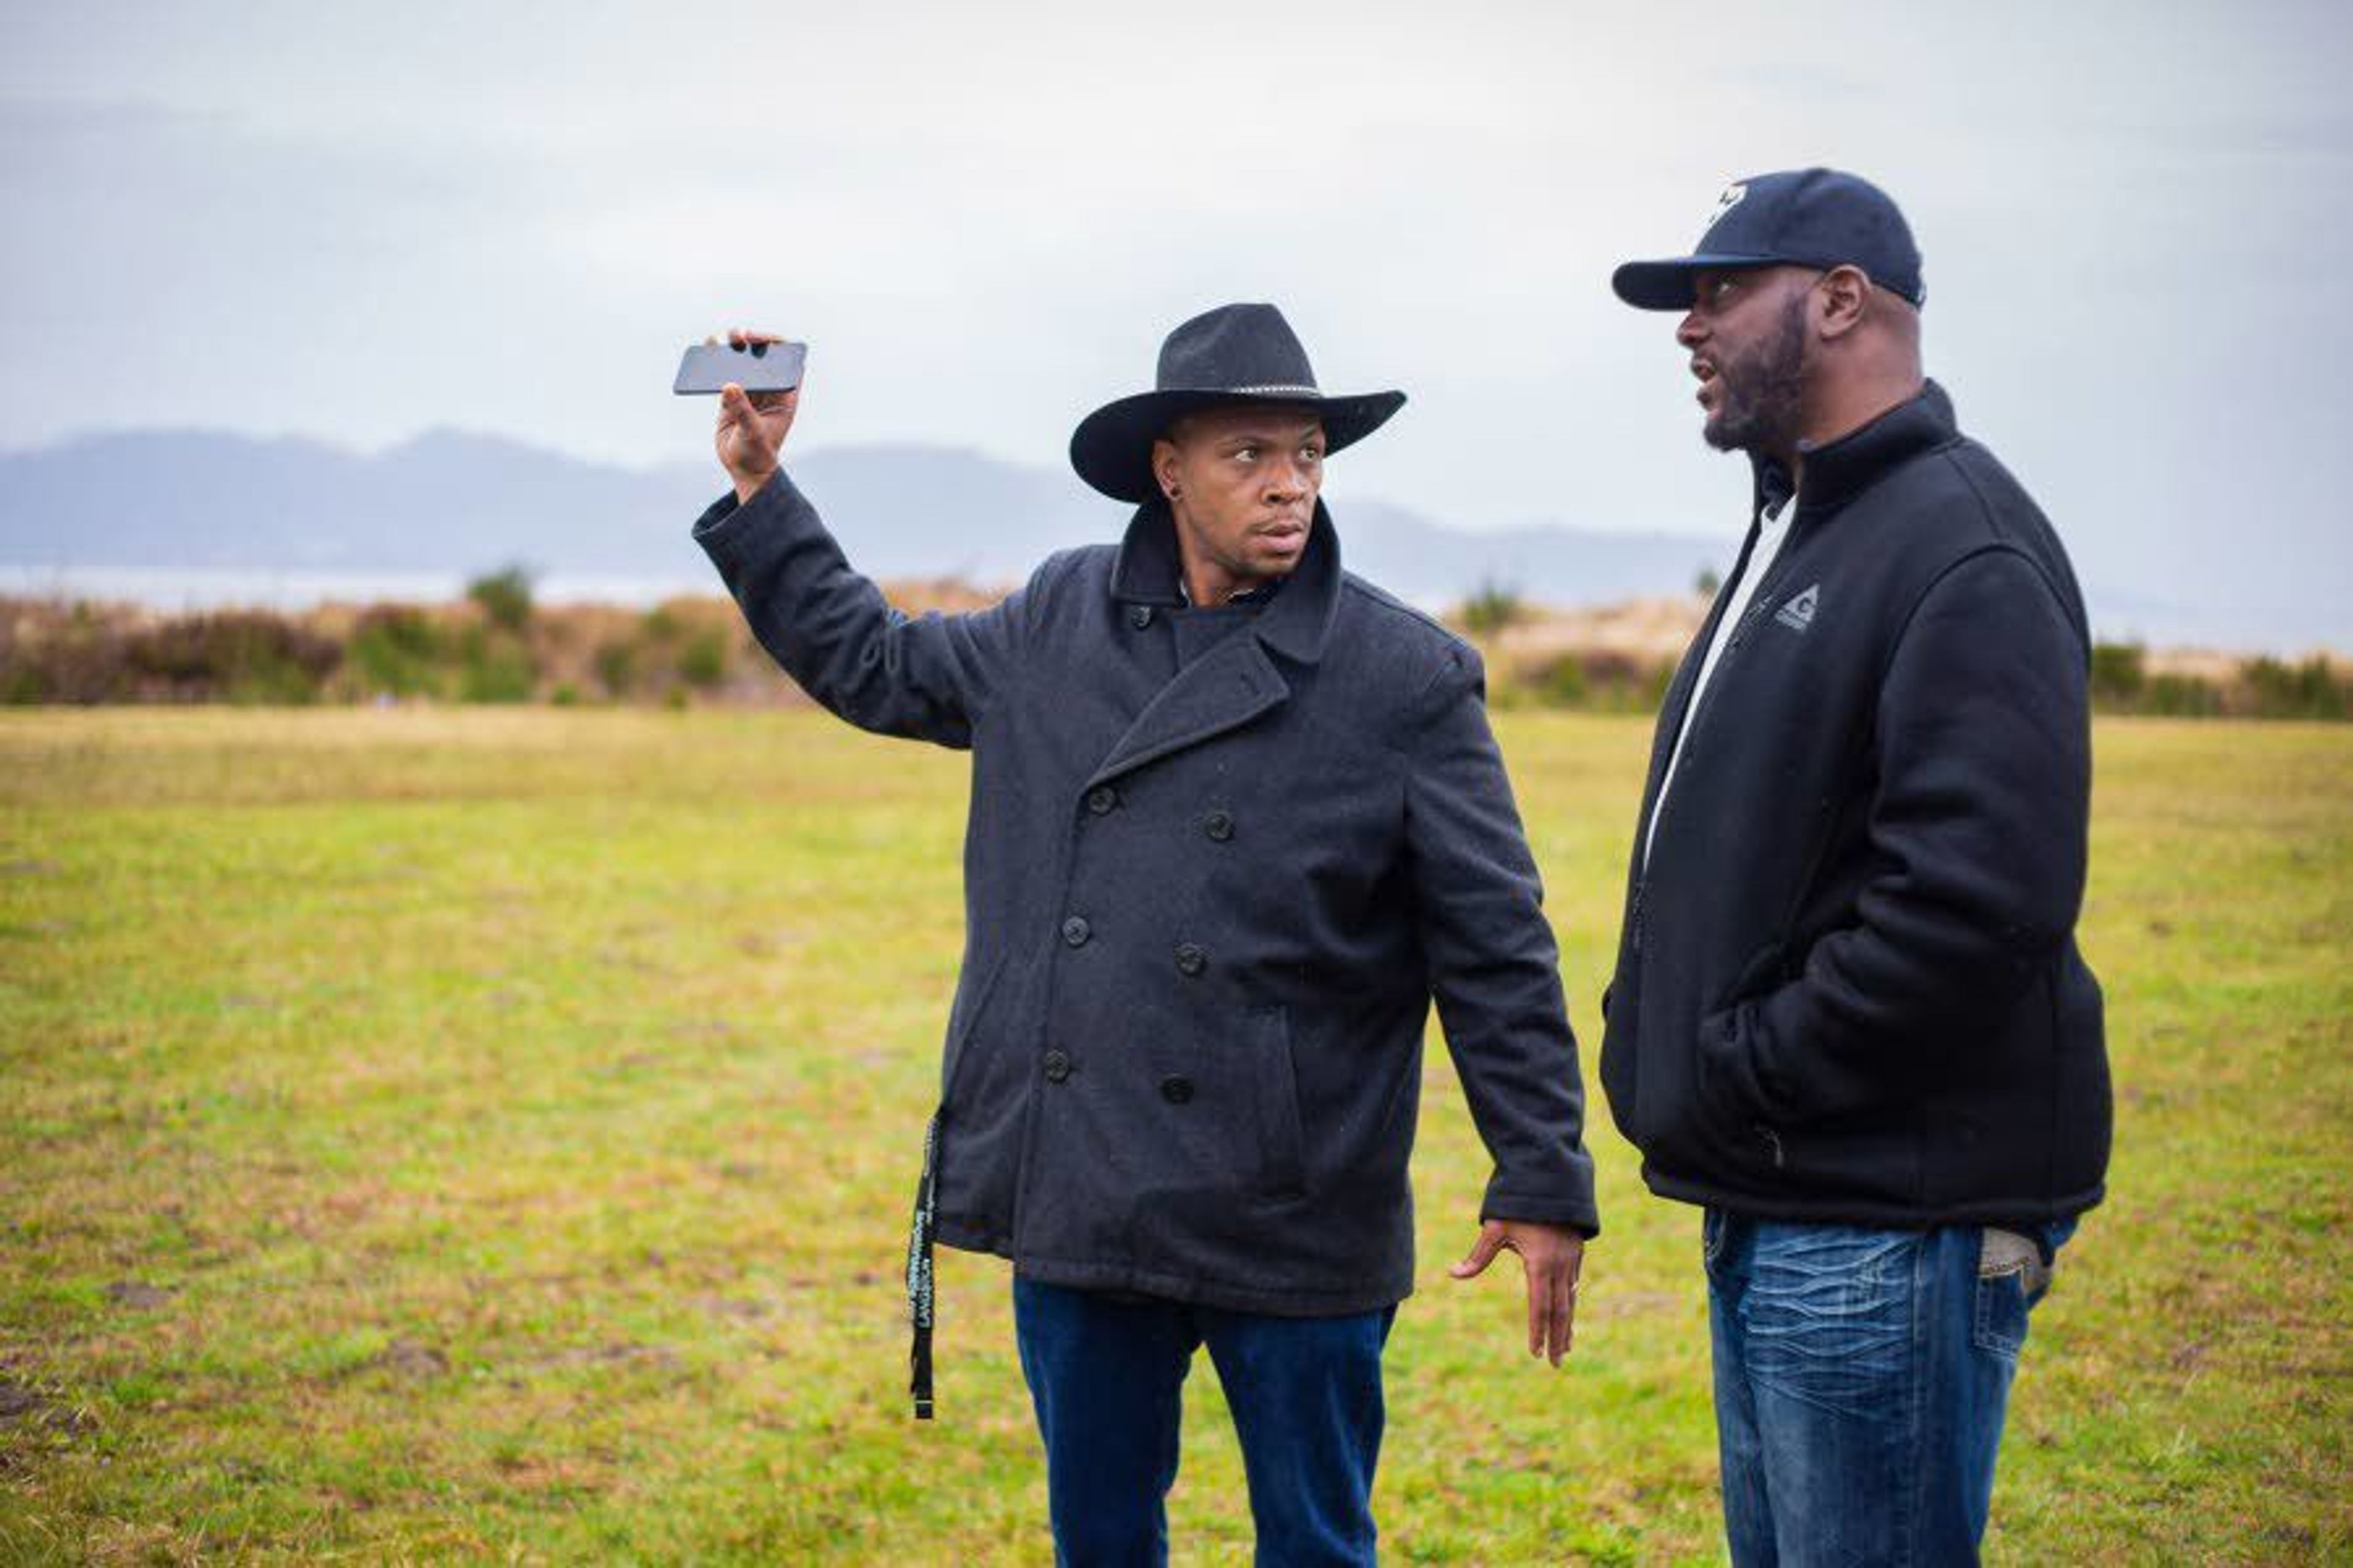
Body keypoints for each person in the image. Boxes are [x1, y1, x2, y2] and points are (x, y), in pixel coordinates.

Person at [691, 302, 1599, 1565]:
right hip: (1091, 1187)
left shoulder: (1405, 676)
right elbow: (880, 663)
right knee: (1101, 1539)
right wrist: (761, 483)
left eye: (1308, 455)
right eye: (1249, 455)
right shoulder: (1056, 619)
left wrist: (1540, 1168)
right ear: (1169, 466)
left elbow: (1496, 940)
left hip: (1297, 1200)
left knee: (1318, 1543)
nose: (1289, 485)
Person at [1598, 169, 2112, 1564]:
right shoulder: (1804, 525)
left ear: (1839, 299)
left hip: (1885, 1227)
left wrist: (1741, 1064)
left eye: (1720, 293)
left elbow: (1974, 912)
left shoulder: (1960, 544)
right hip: (1789, 1199)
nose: (1689, 329)